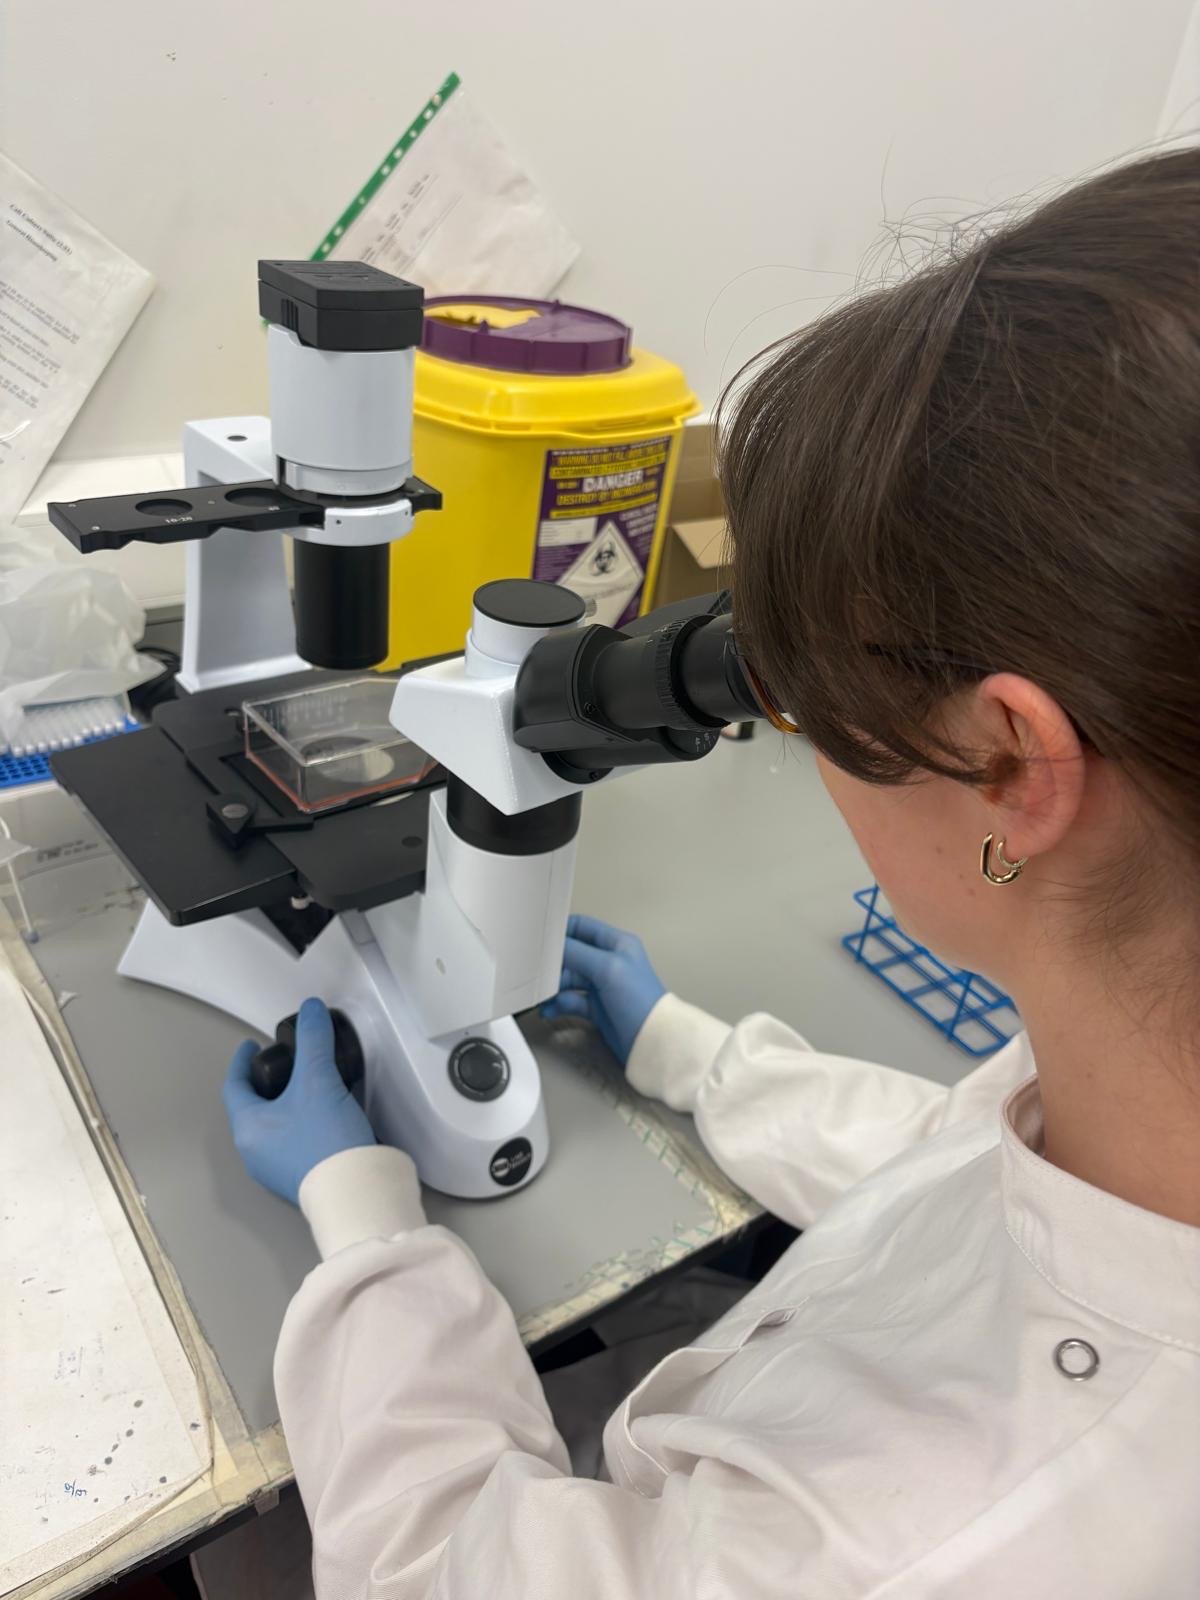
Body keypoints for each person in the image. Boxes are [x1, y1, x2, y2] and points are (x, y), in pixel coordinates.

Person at [223, 149, 1200, 1596]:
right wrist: (702, 1061)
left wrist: (366, 1231)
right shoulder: (1141, 1094)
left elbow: (437, 1569)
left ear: (1009, 769)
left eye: (809, 705)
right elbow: (970, 1177)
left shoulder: (905, 1549)